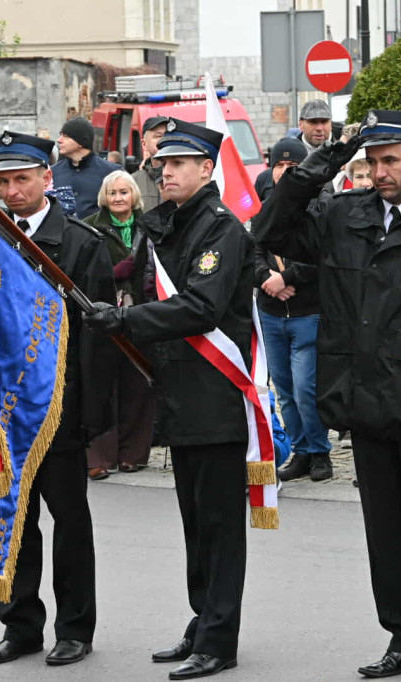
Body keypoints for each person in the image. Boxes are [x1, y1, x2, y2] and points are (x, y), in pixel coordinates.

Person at [253, 109, 401, 681]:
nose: (380, 171)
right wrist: (326, 161)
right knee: (384, 528)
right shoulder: (345, 215)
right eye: (372, 161)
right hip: (364, 398)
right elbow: (270, 228)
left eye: (391, 160)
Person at [83, 118, 253, 680]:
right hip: (181, 393)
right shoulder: (174, 226)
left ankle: (220, 637)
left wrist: (126, 320)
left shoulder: (221, 229)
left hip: (215, 394)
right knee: (195, 521)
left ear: (207, 169)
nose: (166, 171)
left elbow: (201, 307)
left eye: (178, 163)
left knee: (221, 525)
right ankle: (202, 618)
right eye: (163, 163)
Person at [0, 130, 113, 668]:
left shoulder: (80, 243)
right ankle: (20, 625)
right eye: (4, 181)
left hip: (59, 407)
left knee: (70, 522)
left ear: (46, 179)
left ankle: (75, 627)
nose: (12, 190)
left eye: (22, 179)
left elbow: (96, 340)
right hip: (1, 409)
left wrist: (90, 415)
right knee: (13, 521)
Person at [252, 137, 332, 483]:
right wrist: (265, 277)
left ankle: (319, 451)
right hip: (271, 315)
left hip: (307, 313)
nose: (285, 171)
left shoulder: (321, 207)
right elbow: (251, 252)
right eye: (280, 165)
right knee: (283, 389)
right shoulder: (264, 210)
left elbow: (325, 260)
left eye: (293, 166)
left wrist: (286, 276)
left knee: (305, 388)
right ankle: (300, 450)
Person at [82, 170, 155, 481]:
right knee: (102, 385)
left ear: (134, 195)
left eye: (124, 192)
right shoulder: (89, 227)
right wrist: (113, 273)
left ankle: (133, 454)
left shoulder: (149, 225)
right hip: (103, 316)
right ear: (104, 197)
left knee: (138, 383)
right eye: (113, 193)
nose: (118, 198)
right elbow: (82, 273)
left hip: (142, 314)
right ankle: (99, 456)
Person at [255, 100, 335, 198]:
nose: (319, 128)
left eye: (324, 122)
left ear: (331, 124)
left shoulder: (344, 157)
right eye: (313, 122)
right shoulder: (284, 154)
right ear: (300, 124)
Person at [50, 116, 121, 219]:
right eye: (60, 135)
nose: (59, 140)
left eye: (65, 136)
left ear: (81, 141)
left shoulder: (112, 172)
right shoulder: (52, 172)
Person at [133, 116, 169, 212]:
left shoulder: (185, 178)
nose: (164, 140)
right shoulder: (133, 182)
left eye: (167, 135)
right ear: (144, 144)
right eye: (158, 136)